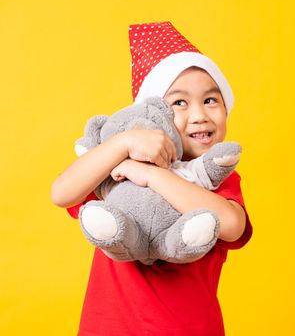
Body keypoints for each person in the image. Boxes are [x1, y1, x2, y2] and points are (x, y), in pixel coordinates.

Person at [51, 21, 252, 336]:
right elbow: (62, 193)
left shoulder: (214, 177)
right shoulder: (116, 169)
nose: (199, 114)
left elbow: (231, 224)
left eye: (211, 100)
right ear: (153, 112)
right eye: (179, 103)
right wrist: (122, 144)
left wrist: (148, 174)